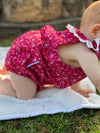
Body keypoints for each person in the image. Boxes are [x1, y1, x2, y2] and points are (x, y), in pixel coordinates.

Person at [0, 1, 100, 100]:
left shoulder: (82, 49)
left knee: (25, 80)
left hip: (36, 56)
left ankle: (12, 70)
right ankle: (5, 80)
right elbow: (98, 80)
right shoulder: (85, 53)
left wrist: (77, 90)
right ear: (95, 31)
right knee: (25, 95)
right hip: (24, 57)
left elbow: (73, 68)